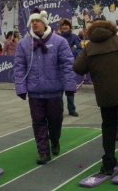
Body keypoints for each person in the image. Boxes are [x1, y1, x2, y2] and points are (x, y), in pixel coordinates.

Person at [73, 20, 118, 176]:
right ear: (111, 28)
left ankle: (108, 164)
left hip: (105, 95)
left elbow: (78, 68)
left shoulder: (90, 47)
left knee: (109, 128)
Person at [14, 10, 76, 165]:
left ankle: (55, 140)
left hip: (54, 91)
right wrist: (21, 88)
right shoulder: (24, 44)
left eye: (38, 20)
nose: (34, 23)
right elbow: (19, 67)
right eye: (32, 21)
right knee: (38, 122)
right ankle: (43, 151)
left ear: (45, 23)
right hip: (35, 93)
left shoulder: (59, 41)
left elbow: (68, 65)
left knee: (56, 120)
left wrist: (69, 86)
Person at [58, 18, 82, 118]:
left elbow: (80, 50)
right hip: (58, 67)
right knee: (59, 90)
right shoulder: (57, 37)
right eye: (63, 25)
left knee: (70, 89)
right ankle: (60, 110)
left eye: (66, 25)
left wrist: (70, 52)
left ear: (70, 26)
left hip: (70, 66)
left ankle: (72, 109)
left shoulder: (74, 37)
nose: (64, 27)